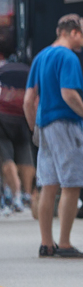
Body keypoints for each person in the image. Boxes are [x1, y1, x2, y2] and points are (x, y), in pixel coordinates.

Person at [24, 14, 83, 258]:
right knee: (72, 183)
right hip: (66, 124)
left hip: (44, 125)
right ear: (72, 32)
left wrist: (35, 128)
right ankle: (64, 243)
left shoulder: (41, 56)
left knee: (49, 185)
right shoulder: (68, 57)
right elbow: (69, 93)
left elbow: (28, 100)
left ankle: (47, 243)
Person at [0, 30, 34, 216]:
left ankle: (16, 195)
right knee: (25, 154)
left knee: (6, 157)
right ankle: (28, 194)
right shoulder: (24, 68)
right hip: (22, 115)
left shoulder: (2, 71)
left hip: (2, 116)